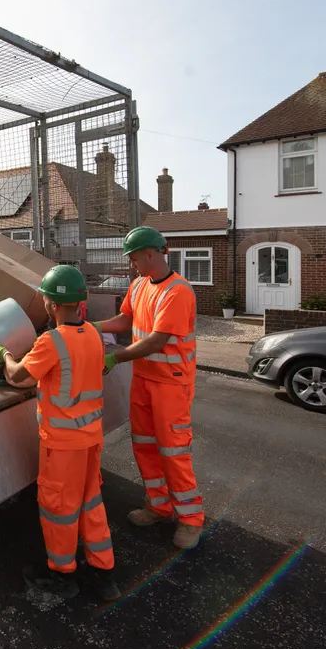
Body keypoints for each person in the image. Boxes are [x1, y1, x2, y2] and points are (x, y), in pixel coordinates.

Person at [0, 265, 120, 601]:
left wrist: (6, 356)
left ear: (51, 305)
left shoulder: (51, 341)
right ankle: (103, 572)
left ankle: (62, 574)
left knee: (59, 508)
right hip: (91, 440)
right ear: (80, 302)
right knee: (90, 502)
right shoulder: (94, 336)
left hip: (62, 446)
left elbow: (19, 377)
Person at [95, 226, 203, 549]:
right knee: (143, 445)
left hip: (171, 385)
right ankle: (158, 506)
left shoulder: (178, 291)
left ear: (151, 254)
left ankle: (190, 520)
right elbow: (125, 320)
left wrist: (115, 359)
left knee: (173, 452)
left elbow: (157, 339)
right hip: (144, 380)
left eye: (134, 258)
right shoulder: (140, 286)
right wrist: (90, 328)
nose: (131, 265)